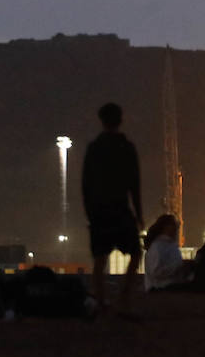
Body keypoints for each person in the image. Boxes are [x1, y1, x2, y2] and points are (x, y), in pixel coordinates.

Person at [81, 102, 144, 320]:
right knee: (135, 253)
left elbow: (85, 184)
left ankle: (100, 303)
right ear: (121, 119)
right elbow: (134, 184)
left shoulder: (94, 148)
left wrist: (89, 212)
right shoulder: (126, 147)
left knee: (99, 258)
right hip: (120, 208)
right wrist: (139, 213)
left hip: (99, 211)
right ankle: (123, 300)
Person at [143, 214, 193, 291]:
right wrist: (178, 266)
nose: (176, 229)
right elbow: (156, 272)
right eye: (174, 225)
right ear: (166, 227)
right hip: (160, 289)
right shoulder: (157, 247)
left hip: (171, 286)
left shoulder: (172, 246)